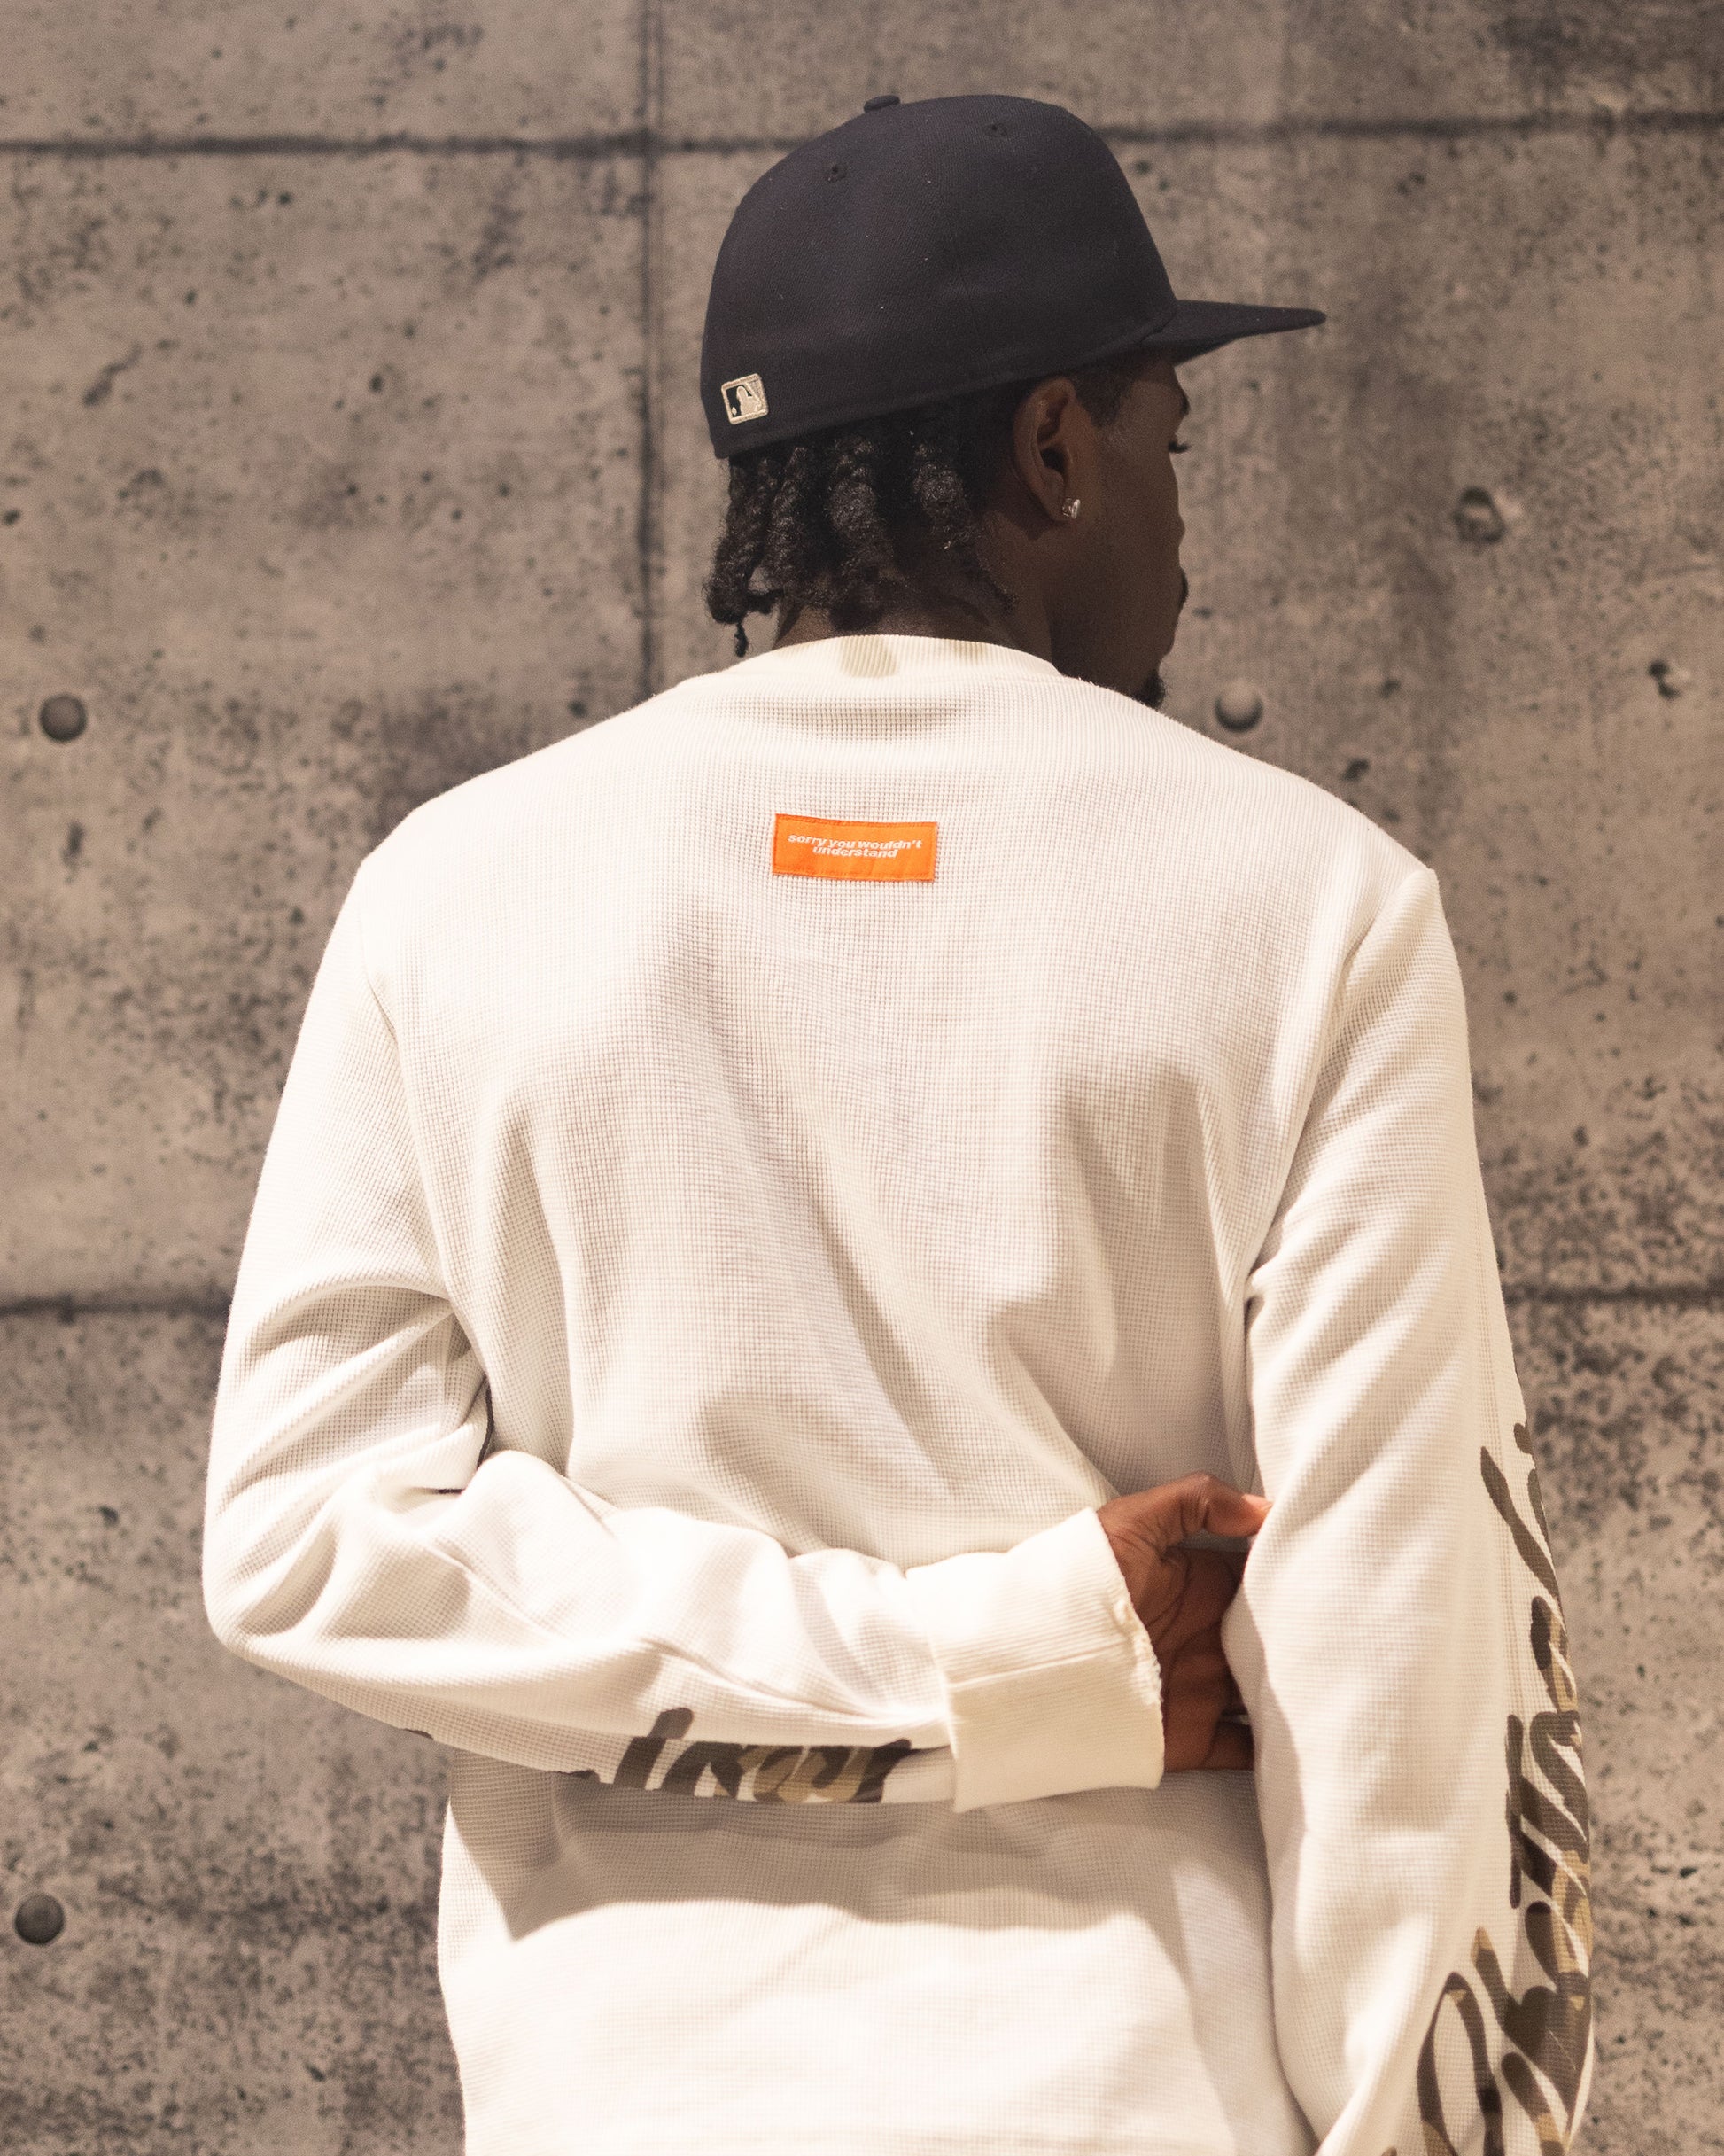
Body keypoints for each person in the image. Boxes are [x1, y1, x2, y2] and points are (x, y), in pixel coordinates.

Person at [202, 91, 1594, 2156]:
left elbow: (314, 1548)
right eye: (1168, 441)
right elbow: (1406, 1676)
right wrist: (1020, 1657)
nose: (1182, 530)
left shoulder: (457, 891)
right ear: (1052, 447)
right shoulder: (1306, 909)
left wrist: (964, 1675)